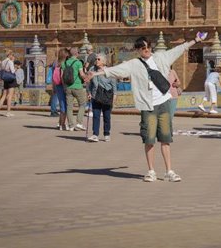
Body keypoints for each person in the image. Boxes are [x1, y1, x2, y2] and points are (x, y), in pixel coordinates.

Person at [87, 32, 206, 182]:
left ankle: (169, 171)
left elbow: (179, 49)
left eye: (148, 46)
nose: (147, 49)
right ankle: (151, 171)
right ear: (138, 49)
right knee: (149, 139)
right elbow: (115, 70)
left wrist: (196, 40)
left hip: (164, 103)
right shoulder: (134, 64)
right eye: (143, 48)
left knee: (166, 139)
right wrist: (95, 74)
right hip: (148, 106)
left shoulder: (161, 57)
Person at [87, 54, 116, 142]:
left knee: (107, 116)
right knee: (96, 115)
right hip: (95, 95)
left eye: (99, 59)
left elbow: (114, 87)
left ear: (103, 61)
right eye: (96, 59)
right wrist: (88, 92)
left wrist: (114, 100)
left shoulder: (109, 71)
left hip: (107, 96)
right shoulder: (92, 69)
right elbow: (89, 82)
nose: (96, 61)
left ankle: (107, 134)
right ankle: (95, 134)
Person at [63, 47, 87, 131]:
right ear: (77, 54)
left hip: (68, 87)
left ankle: (71, 125)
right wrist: (87, 77)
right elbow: (81, 74)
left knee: (69, 107)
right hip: (77, 86)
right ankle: (79, 123)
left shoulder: (65, 63)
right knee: (82, 104)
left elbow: (62, 76)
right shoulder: (78, 63)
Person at [0, 50, 17, 117]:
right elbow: (13, 71)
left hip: (5, 79)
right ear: (10, 55)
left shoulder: (3, 62)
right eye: (12, 55)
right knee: (9, 96)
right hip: (11, 79)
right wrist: (16, 68)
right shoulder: (10, 62)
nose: (13, 57)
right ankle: (8, 112)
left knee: (4, 95)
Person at [53, 48, 68, 130]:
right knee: (64, 106)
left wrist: (53, 87)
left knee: (62, 104)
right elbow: (62, 76)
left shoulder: (55, 63)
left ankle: (59, 123)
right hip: (62, 85)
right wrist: (65, 86)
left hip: (57, 85)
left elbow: (53, 76)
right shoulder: (63, 64)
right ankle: (63, 125)